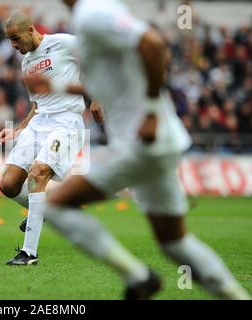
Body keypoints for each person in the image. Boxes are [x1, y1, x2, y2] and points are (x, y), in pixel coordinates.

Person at [24, 0, 250, 300]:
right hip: (155, 143)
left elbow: (152, 43)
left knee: (55, 206)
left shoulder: (93, 13)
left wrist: (151, 112)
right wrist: (60, 86)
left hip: (139, 143)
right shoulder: (88, 16)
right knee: (175, 242)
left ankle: (139, 277)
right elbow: (115, 84)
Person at [0, 11, 104, 265]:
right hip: (39, 123)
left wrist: (97, 96)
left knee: (37, 176)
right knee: (8, 184)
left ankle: (28, 253)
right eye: (9, 40)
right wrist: (18, 130)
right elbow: (37, 105)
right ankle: (47, 208)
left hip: (66, 122)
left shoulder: (63, 43)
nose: (13, 45)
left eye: (15, 38)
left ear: (31, 30)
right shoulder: (26, 63)